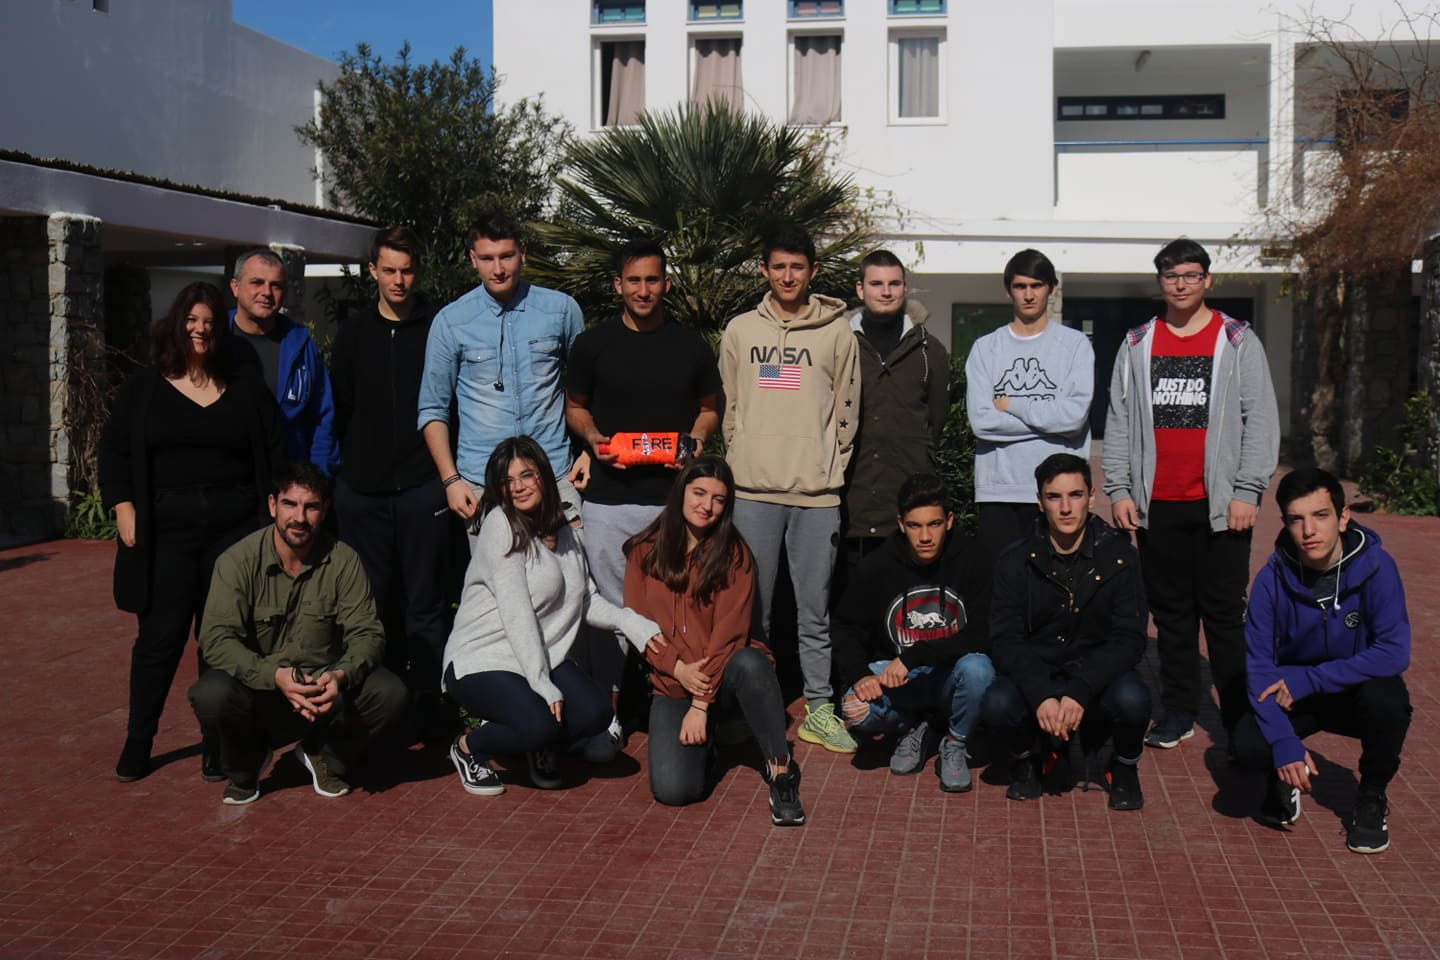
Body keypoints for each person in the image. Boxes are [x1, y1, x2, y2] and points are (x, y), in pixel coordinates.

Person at [99, 281, 283, 783]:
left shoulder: (244, 387)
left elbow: (274, 451)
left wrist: (274, 514)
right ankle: (139, 739)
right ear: (177, 325)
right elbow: (113, 450)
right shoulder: (144, 386)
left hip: (233, 534)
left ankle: (215, 742)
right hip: (165, 536)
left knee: (219, 641)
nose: (200, 330)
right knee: (159, 640)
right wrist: (123, 507)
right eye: (192, 320)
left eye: (209, 322)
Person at [1103, 238, 1280, 750]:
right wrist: (1119, 488)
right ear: (1160, 281)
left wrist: (1247, 489)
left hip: (1221, 507)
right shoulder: (1138, 342)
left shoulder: (1236, 339)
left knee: (1224, 615)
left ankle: (1240, 716)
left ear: (1207, 280)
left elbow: (1260, 418)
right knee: (1172, 616)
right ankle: (1179, 710)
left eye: (1190, 275)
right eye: (1171, 275)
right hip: (1157, 506)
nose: (1180, 284)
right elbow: (1119, 419)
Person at [565, 238, 722, 762]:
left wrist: (696, 442)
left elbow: (709, 408)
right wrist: (593, 439)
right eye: (633, 280)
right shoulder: (592, 345)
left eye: (652, 280)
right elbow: (575, 407)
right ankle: (606, 716)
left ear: (666, 284)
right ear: (618, 285)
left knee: (680, 608)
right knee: (609, 613)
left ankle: (677, 706)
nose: (643, 290)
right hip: (608, 502)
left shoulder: (690, 347)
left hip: (672, 505)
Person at [442, 436, 660, 796]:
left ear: (543, 475)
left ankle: (536, 738)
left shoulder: (564, 529)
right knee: (538, 724)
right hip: (485, 656)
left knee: (596, 713)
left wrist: (633, 623)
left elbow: (586, 599)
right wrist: (542, 682)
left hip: (540, 654)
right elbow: (516, 611)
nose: (518, 487)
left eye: (526, 475)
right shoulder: (501, 524)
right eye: (507, 481)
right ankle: (469, 748)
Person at [188, 462, 407, 804]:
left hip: (324, 692)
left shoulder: (344, 561)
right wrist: (274, 676)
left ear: (325, 509)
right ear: (272, 505)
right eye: (290, 504)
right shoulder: (236, 561)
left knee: (389, 692)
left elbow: (368, 634)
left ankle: (325, 756)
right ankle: (245, 768)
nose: (299, 517)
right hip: (260, 688)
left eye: (311, 507)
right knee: (210, 693)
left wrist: (339, 676)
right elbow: (215, 639)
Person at [719, 222, 859, 754]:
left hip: (816, 495)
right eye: (778, 266)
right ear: (764, 270)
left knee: (814, 611)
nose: (787, 276)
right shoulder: (740, 331)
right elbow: (730, 405)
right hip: (753, 491)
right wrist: (741, 455)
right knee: (751, 610)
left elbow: (847, 409)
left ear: (813, 271)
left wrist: (828, 465)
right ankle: (751, 710)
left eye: (797, 266)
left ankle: (819, 708)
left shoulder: (837, 333)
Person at [1232, 468, 1411, 854]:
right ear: (1285, 523)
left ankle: (1372, 796)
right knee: (1248, 744)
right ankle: (1281, 776)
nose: (1309, 530)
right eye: (1296, 519)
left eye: (1320, 515)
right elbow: (1259, 668)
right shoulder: (1271, 580)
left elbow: (1395, 651)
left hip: (1352, 689)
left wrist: (1312, 679)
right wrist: (1283, 742)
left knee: (1389, 702)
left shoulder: (1378, 567)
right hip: (1294, 695)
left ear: (1343, 517)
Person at [622, 457, 804, 825]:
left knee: (752, 662)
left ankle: (781, 771)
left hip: (726, 675)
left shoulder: (735, 554)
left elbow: (729, 635)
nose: (707, 506)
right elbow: (638, 626)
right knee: (673, 791)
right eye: (699, 493)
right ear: (681, 492)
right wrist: (678, 670)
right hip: (674, 682)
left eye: (719, 499)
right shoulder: (644, 550)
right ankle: (710, 746)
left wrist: (701, 704)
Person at [330, 226, 451, 737]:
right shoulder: (354, 333)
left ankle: (428, 708)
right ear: (373, 272)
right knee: (372, 607)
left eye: (407, 270)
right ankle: (377, 710)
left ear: (417, 272)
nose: (399, 280)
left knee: (426, 604)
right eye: (389, 271)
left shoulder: (438, 327)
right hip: (364, 492)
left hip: (424, 486)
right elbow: (342, 406)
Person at [981, 454, 1151, 811]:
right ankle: (1030, 757)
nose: (1065, 508)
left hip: (1096, 676)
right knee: (997, 702)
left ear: (1091, 497)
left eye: (1075, 495)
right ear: (1040, 501)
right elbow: (1005, 639)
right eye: (1054, 497)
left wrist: (1082, 688)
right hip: (1039, 672)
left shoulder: (1120, 557)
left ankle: (1123, 766)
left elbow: (1130, 638)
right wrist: (1040, 693)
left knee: (1134, 699)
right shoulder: (1014, 559)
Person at [418, 213, 587, 549]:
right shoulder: (451, 321)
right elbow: (433, 408)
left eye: (506, 256)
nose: (498, 269)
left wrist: (587, 452)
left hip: (554, 473)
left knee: (571, 573)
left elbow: (587, 389)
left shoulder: (561, 310)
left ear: (522, 252)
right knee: (498, 578)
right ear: (473, 259)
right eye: (487, 258)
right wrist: (451, 480)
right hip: (483, 482)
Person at [834, 474, 993, 793]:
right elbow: (845, 627)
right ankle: (915, 726)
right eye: (914, 526)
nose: (925, 536)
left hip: (951, 674)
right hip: (901, 679)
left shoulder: (974, 558)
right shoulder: (877, 566)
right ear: (900, 524)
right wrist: (859, 674)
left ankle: (955, 741)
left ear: (949, 520)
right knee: (854, 708)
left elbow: (982, 633)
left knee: (980, 670)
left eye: (934, 524)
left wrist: (915, 655)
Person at [965, 249, 1093, 559]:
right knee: (1002, 584)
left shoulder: (1075, 345)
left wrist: (1013, 405)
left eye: (1037, 285)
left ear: (1052, 289)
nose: (1029, 295)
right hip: (999, 491)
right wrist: (1051, 422)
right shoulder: (985, 348)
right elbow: (982, 422)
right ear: (1008, 290)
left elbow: (1073, 417)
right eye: (1020, 286)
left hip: (1059, 491)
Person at [841, 250, 951, 579]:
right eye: (876, 284)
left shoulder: (930, 350)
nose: (886, 292)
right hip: (851, 502)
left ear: (905, 288)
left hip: (908, 504)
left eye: (894, 284)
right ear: (860, 289)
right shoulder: (839, 344)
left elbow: (936, 418)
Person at [228, 248, 338, 475]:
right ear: (235, 287)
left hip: (289, 481)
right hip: (230, 478)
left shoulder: (302, 345)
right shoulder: (216, 339)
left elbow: (322, 418)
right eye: (257, 282)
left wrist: (317, 477)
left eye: (276, 285)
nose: (266, 292)